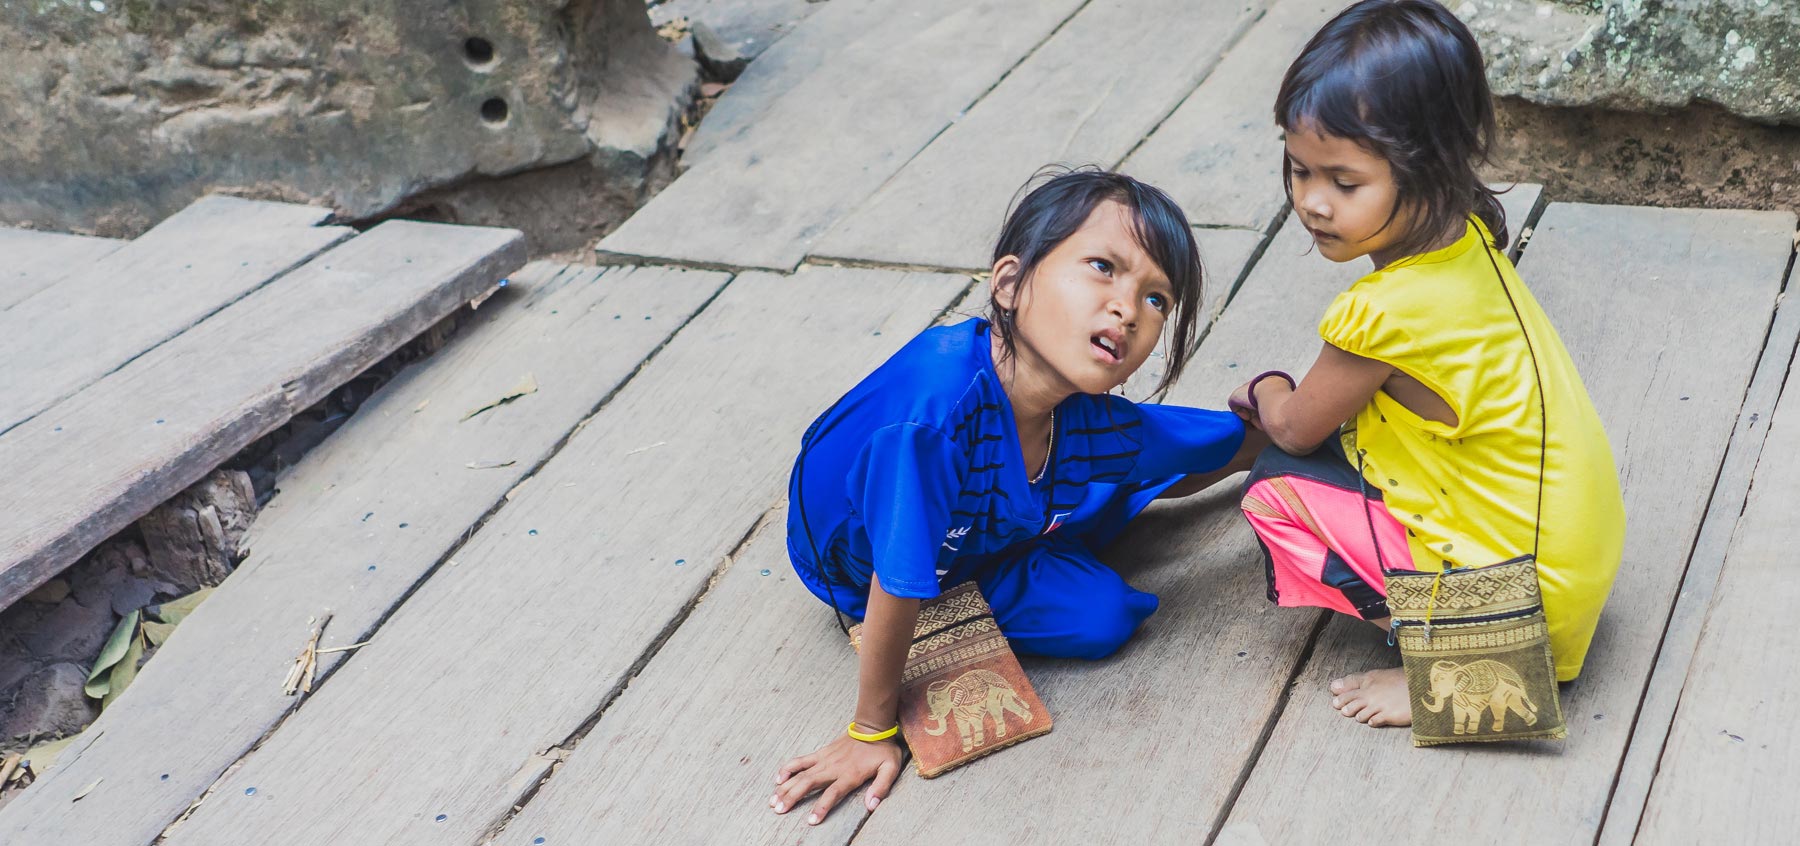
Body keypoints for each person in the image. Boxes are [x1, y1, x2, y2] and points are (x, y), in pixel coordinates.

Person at [772, 169, 1262, 824]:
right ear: (1009, 283)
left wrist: (1288, 439)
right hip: (866, 570)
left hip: (983, 534)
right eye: (1102, 267)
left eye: (1156, 300)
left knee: (1116, 583)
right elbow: (898, 578)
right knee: (1086, 590)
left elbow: (1194, 449)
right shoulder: (934, 417)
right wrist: (870, 730)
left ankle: (1065, 515)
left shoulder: (1073, 407)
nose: (1127, 308)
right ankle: (1048, 524)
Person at [1230, 0, 1625, 729]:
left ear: (1430, 164)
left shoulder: (1381, 315)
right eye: (1298, 170)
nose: (1312, 202)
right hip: (1575, 564)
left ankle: (1451, 660)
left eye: (1344, 183)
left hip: (1525, 618)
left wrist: (1266, 388)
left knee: (1274, 488)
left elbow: (1290, 428)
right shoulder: (1468, 236)